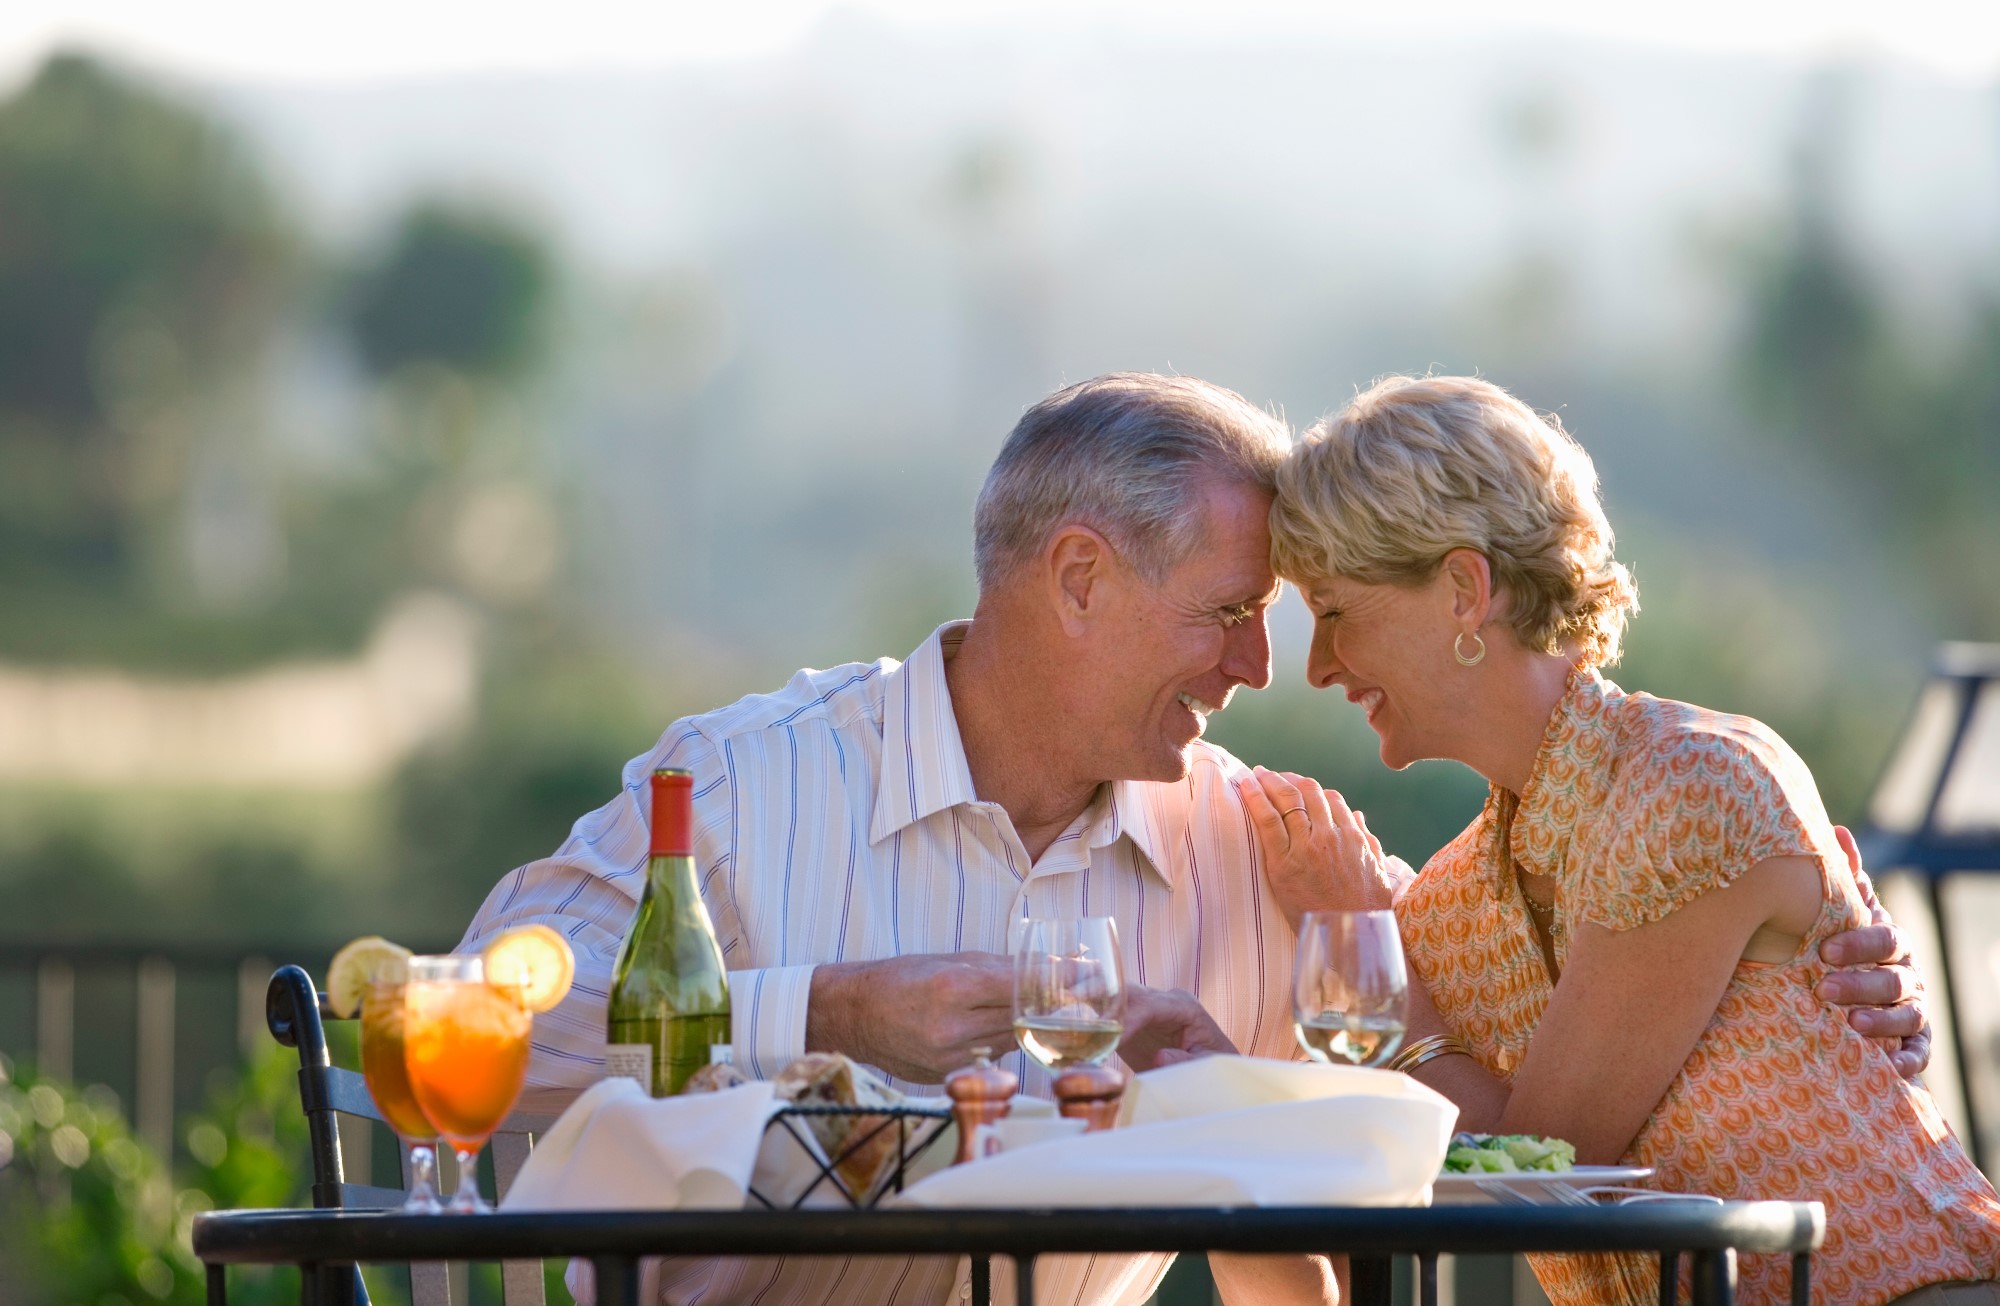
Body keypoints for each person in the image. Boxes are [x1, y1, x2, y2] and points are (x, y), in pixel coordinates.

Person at [463, 372, 1930, 1306]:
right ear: (1083, 577)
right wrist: (825, 1010)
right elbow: (471, 1017)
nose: (1263, 669)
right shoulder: (738, 786)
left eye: (1298, 617)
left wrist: (1838, 958)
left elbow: (1465, 1060)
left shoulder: (1257, 843)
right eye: (1232, 614)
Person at [1242, 373, 1996, 1306]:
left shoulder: (1692, 782)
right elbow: (1459, 1145)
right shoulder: (1454, 895)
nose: (1317, 667)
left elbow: (1546, 1167)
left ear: (1464, 590)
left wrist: (1367, 951)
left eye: (1333, 613)